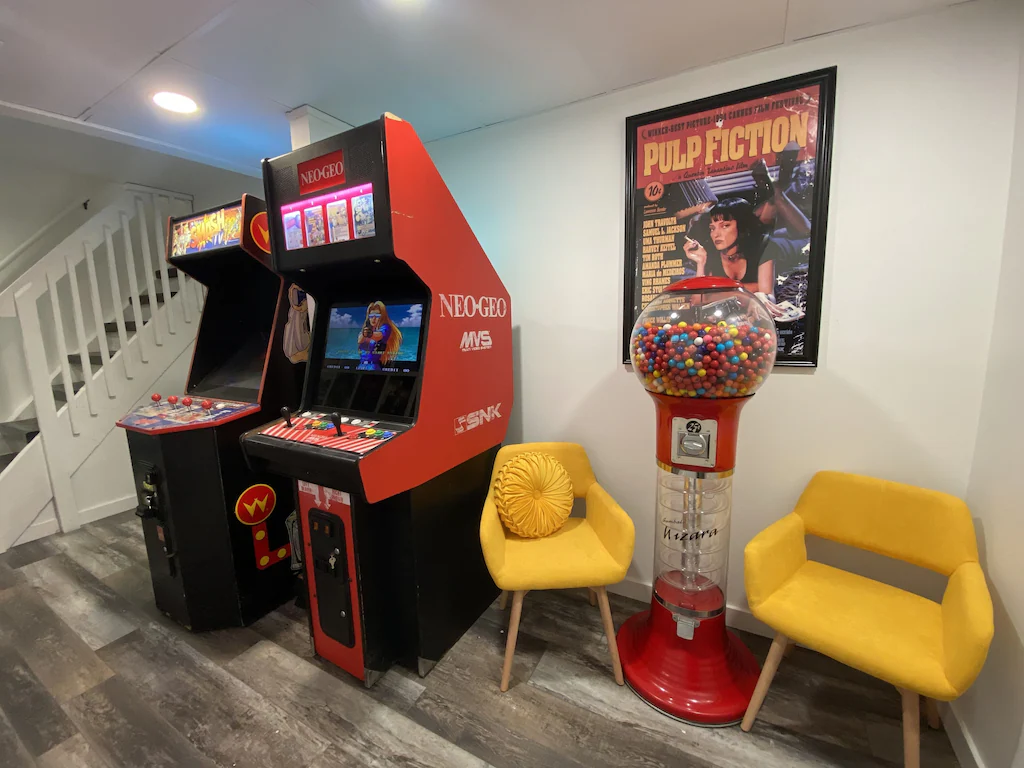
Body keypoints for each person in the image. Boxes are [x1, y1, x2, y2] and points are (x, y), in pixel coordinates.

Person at [683, 198, 779, 304]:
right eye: (712, 228)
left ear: (742, 225)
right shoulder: (709, 252)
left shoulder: (761, 245)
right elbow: (698, 301)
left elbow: (766, 296)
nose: (716, 234)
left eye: (724, 226)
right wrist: (701, 263)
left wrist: (719, 293)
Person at [356, 301, 403, 371]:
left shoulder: (386, 327)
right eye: (371, 316)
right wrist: (366, 331)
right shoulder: (366, 328)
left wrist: (369, 333)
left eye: (377, 316)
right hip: (360, 366)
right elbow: (359, 340)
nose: (373, 318)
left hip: (373, 367)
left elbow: (379, 335)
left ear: (382, 316)